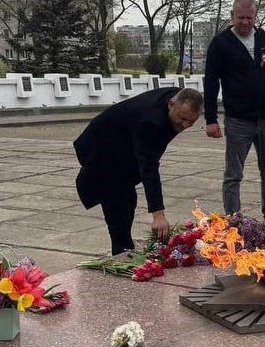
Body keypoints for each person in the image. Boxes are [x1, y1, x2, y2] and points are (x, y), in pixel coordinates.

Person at [73, 87, 203, 255]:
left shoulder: (182, 98)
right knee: (118, 209)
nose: (185, 125)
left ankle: (125, 249)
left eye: (191, 122)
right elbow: (149, 167)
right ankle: (121, 253)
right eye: (182, 119)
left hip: (124, 146)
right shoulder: (150, 121)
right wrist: (158, 215)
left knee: (129, 201)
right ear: (171, 105)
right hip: (102, 151)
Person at [203, 0, 265, 221]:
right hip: (237, 120)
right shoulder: (221, 44)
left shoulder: (264, 39)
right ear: (232, 16)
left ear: (255, 16)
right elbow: (211, 81)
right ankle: (234, 220)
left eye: (249, 18)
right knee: (234, 174)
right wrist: (210, 118)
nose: (245, 22)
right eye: (240, 18)